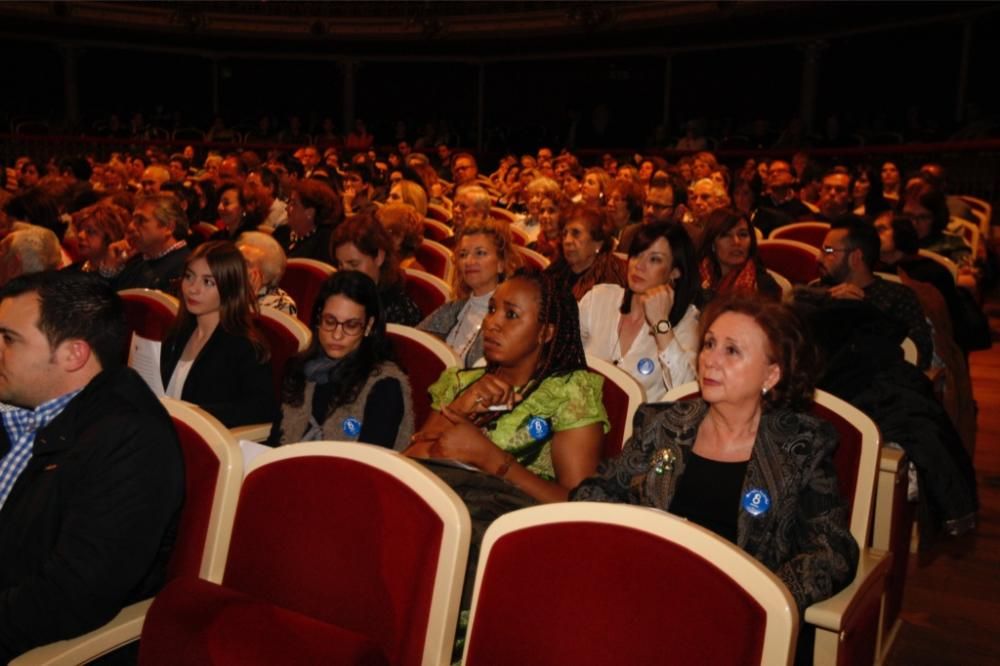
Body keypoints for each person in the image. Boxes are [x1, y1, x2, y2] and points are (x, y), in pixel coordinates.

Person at [572, 296, 859, 615]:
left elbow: (831, 551)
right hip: (647, 593)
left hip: (740, 614)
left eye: (732, 350)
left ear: (771, 375)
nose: (710, 359)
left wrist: (762, 599)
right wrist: (633, 545)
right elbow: (595, 492)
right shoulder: (663, 424)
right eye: (709, 344)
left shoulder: (801, 446)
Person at [0, 271, 183, 661]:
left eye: (8, 339)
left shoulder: (131, 442)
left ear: (73, 354)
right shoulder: (27, 408)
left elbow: (69, 596)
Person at [406, 268, 609, 504]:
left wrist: (493, 460)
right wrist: (461, 406)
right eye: (492, 309)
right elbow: (408, 465)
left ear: (545, 333)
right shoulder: (462, 383)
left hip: (512, 528)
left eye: (511, 315)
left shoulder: (569, 394)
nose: (491, 323)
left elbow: (579, 506)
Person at [268, 271, 414, 450]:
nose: (337, 335)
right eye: (330, 321)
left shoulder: (384, 385)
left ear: (368, 326)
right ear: (318, 319)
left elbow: (371, 464)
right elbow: (276, 441)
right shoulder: (299, 368)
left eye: (351, 325)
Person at [578, 223, 701, 402]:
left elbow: (686, 397)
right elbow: (560, 355)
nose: (639, 266)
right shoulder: (599, 299)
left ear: (674, 272)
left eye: (655, 259)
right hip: (580, 418)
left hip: (636, 428)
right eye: (637, 255)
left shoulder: (686, 322)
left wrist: (661, 324)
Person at [160, 240, 276, 427]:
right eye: (189, 277)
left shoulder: (244, 346)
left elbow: (260, 410)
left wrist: (193, 414)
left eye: (208, 282)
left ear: (229, 287)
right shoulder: (179, 332)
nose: (193, 289)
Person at [802, 216, 934, 370]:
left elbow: (921, 355)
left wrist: (866, 311)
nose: (818, 258)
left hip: (874, 386)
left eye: (829, 251)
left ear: (855, 257)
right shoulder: (816, 290)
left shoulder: (898, 297)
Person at [419, 218, 523, 367]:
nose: (469, 261)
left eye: (480, 253)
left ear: (501, 264)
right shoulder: (454, 308)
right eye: (463, 254)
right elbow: (414, 346)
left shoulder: (511, 317)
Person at [331, 212, 422, 326]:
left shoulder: (399, 312)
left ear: (379, 257)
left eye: (354, 264)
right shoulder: (335, 296)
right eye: (340, 265)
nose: (345, 274)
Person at [545, 203, 626, 301]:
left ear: (598, 243)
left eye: (576, 233)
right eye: (564, 234)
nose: (567, 241)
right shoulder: (557, 270)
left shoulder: (610, 277)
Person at [698, 208, 780, 304]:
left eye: (743, 235)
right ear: (712, 243)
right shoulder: (695, 277)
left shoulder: (764, 286)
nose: (736, 242)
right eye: (726, 235)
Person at [272, 179, 340, 265]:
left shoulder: (325, 243)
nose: (287, 208)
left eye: (293, 204)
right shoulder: (282, 232)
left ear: (310, 212)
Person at [236, 231, 298, 316]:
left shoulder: (282, 304)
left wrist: (249, 301)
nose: (236, 267)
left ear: (265, 274)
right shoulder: (227, 290)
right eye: (236, 260)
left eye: (246, 264)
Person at [69, 200, 130, 277]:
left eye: (90, 231)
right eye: (80, 229)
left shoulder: (122, 278)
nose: (80, 235)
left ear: (112, 237)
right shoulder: (71, 271)